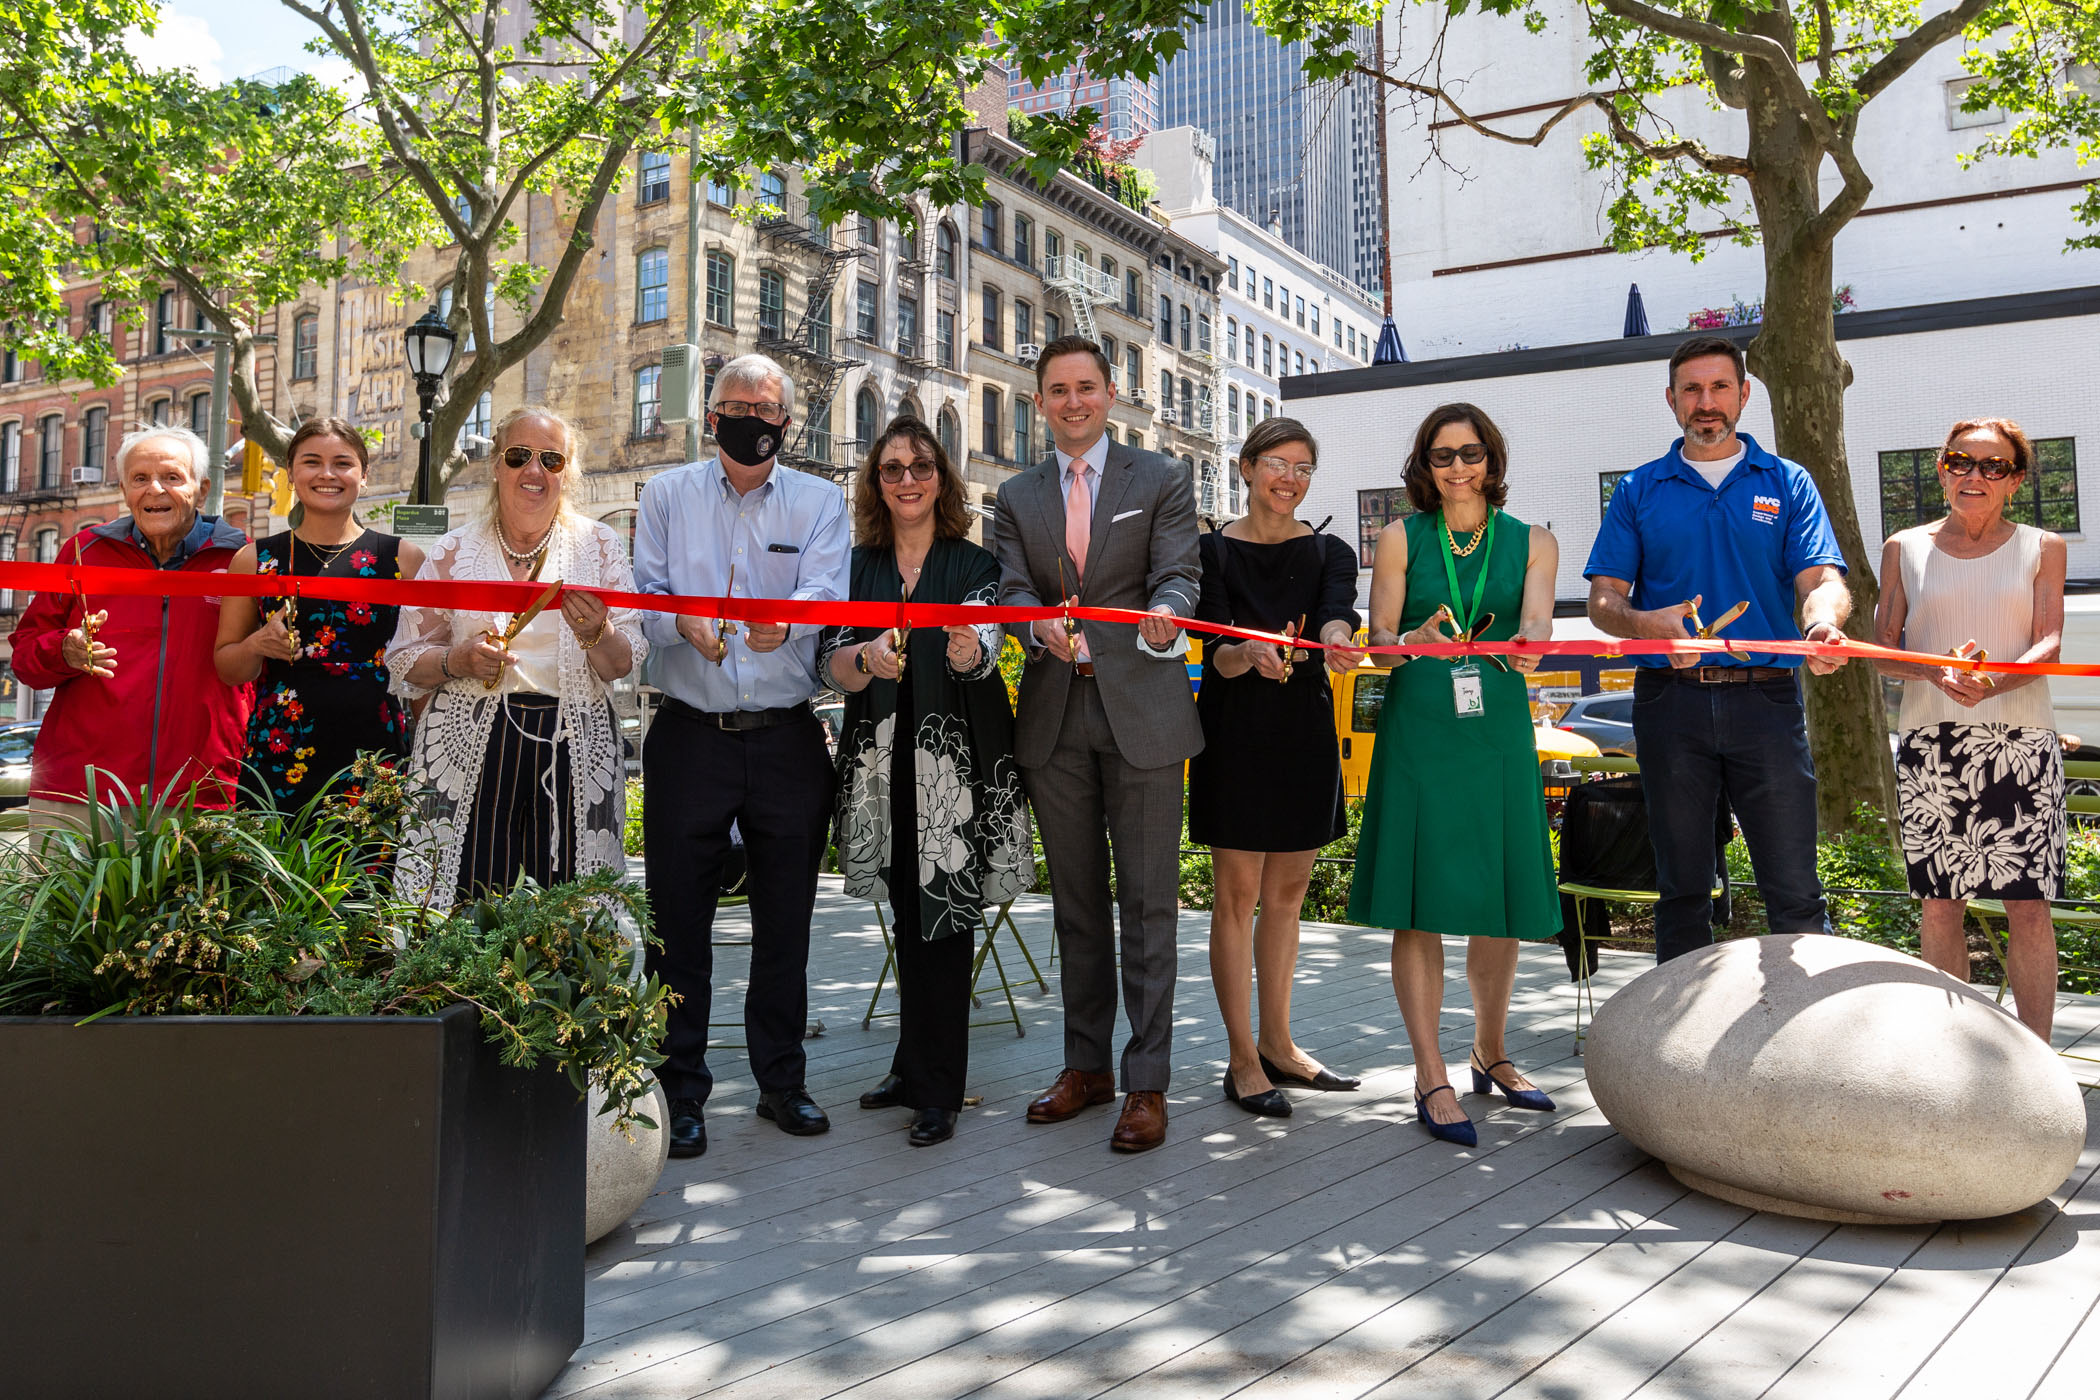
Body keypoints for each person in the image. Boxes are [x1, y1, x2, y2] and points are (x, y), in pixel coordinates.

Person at [634, 354, 850, 1160]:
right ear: (709, 413)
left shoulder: (821, 501)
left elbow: (826, 594)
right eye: (734, 406)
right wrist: (680, 622)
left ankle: (782, 1082)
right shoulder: (665, 494)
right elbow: (646, 595)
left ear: (786, 422)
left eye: (764, 408)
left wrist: (786, 621)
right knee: (676, 923)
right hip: (690, 733)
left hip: (787, 735)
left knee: (785, 922)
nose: (749, 419)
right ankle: (678, 1090)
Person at [992, 335, 1201, 1155]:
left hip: (1143, 711)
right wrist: (1032, 624)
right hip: (1055, 716)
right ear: (1039, 400)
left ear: (1111, 394)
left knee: (1148, 907)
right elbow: (1012, 590)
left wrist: (1167, 613)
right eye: (1057, 389)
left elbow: (1179, 574)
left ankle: (1147, 1081)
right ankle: (1086, 1067)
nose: (1073, 402)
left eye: (1086, 387)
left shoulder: (1161, 478)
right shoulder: (1016, 494)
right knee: (1076, 908)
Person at [1585, 335, 1852, 963]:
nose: (1706, 402)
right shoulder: (1638, 488)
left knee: (1795, 892)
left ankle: (1808, 1024)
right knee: (1681, 891)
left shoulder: (1787, 481)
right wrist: (1649, 625)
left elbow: (1822, 580)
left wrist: (1821, 626)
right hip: (1668, 704)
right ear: (1671, 399)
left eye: (1719, 387)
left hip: (1767, 702)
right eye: (1692, 389)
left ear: (1744, 394)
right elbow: (1603, 602)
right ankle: (1678, 1027)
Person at [1348, 403, 1562, 1147]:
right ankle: (1430, 1072)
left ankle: (1490, 1052)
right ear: (1425, 465)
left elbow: (1537, 626)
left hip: (1496, 726)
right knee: (1420, 901)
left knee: (1496, 896)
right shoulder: (1399, 537)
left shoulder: (1534, 541)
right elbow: (1378, 642)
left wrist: (1531, 647)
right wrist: (1410, 637)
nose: (1458, 467)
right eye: (1442, 456)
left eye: (1470, 453)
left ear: (1491, 459)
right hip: (1421, 730)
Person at [819, 416, 1031, 1147]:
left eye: (921, 467)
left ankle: (938, 1090)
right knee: (909, 917)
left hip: (955, 765)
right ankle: (911, 1066)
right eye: (892, 469)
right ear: (875, 483)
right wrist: (865, 659)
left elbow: (985, 649)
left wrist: (970, 649)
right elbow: (831, 662)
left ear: (943, 479)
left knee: (946, 918)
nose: (907, 480)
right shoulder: (856, 568)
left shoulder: (974, 565)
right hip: (882, 763)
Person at [384, 407, 643, 902]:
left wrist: (597, 632)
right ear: (496, 465)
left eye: (551, 459)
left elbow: (621, 663)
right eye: (519, 455)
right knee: (468, 897)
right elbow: (403, 659)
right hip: (471, 742)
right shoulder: (454, 551)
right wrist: (457, 661)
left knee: (569, 906)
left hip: (573, 742)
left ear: (567, 472)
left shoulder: (599, 546)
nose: (534, 470)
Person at [1187, 418, 1367, 1118]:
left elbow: (1335, 617)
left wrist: (1337, 641)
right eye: (1276, 463)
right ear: (1246, 467)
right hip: (1234, 734)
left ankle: (1279, 1044)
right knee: (1236, 896)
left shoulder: (1329, 551)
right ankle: (1241, 1059)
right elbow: (1216, 654)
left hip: (1303, 734)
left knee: (1288, 896)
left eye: (1303, 468)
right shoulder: (1210, 551)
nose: (1289, 479)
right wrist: (1251, 652)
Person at [1873, 418, 2067, 1039]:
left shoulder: (2043, 546)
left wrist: (1992, 683)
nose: (1974, 475)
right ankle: (1951, 1057)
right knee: (1939, 904)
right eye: (1960, 461)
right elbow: (1883, 650)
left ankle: (2037, 1062)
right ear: (1942, 470)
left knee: (2028, 906)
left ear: (2016, 480)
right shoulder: (1904, 547)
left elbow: (2049, 643)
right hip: (1931, 744)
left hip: (2022, 741)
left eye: (1993, 466)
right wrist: (1936, 672)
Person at [12, 425, 250, 821]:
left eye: (172, 477)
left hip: (203, 791)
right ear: (124, 490)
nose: (154, 489)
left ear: (202, 489)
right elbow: (23, 658)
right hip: (80, 793)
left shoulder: (243, 559)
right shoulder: (83, 552)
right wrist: (63, 650)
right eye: (140, 478)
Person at [215, 417, 420, 805]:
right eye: (311, 462)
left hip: (373, 750)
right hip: (280, 747)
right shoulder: (253, 560)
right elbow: (228, 667)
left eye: (342, 463)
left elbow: (425, 665)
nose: (327, 474)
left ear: (364, 476)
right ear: (291, 474)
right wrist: (257, 644)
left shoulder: (404, 559)